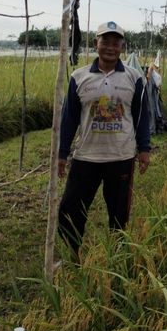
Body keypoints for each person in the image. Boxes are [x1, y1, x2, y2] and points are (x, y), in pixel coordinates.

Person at [57, 21, 151, 261]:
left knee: (119, 213)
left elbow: (141, 117)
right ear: (96, 44)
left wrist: (144, 149)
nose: (110, 47)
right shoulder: (79, 77)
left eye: (115, 42)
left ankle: (117, 256)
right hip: (86, 155)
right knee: (70, 209)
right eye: (105, 41)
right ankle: (72, 254)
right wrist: (62, 153)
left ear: (122, 47)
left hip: (121, 157)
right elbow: (69, 118)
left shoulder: (135, 78)